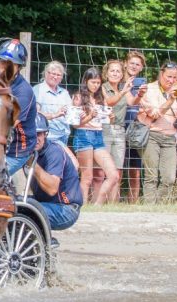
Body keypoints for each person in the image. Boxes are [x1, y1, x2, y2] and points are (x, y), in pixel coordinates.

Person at [136, 61, 177, 203]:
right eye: (168, 76)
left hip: (170, 137)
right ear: (161, 74)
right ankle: (150, 207)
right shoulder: (149, 89)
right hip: (151, 135)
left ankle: (159, 205)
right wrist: (170, 100)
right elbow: (154, 114)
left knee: (169, 177)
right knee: (151, 176)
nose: (171, 80)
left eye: (174, 78)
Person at [70, 67, 118, 204]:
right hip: (83, 135)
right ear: (86, 81)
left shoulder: (100, 98)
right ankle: (82, 206)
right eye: (93, 82)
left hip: (98, 136)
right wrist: (90, 116)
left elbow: (104, 121)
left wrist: (111, 117)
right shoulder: (78, 97)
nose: (96, 85)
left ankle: (98, 204)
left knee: (113, 175)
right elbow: (75, 124)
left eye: (98, 82)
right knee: (87, 177)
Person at [100, 59, 143, 202]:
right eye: (112, 70)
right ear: (106, 73)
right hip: (105, 129)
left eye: (118, 71)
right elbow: (109, 102)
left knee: (118, 169)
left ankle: (113, 203)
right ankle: (100, 201)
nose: (115, 73)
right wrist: (124, 91)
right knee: (103, 170)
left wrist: (140, 95)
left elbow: (132, 102)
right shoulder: (103, 87)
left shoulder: (123, 88)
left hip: (120, 130)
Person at [31, 114, 82, 231]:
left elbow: (52, 188)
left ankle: (43, 239)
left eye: (39, 134)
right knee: (12, 203)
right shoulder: (30, 151)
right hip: (46, 204)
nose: (35, 139)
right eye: (32, 135)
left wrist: (31, 163)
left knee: (26, 210)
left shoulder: (54, 151)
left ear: (45, 134)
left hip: (65, 209)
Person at [0, 38, 37, 176]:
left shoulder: (23, 92)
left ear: (19, 67)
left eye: (10, 64)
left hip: (16, 150)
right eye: (2, 62)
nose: (5, 67)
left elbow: (7, 124)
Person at [123, 51, 149, 203]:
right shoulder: (117, 79)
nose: (134, 66)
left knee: (135, 170)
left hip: (136, 129)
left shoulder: (142, 84)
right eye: (131, 63)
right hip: (118, 126)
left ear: (141, 68)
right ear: (125, 63)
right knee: (114, 169)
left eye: (137, 64)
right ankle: (109, 200)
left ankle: (132, 202)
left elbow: (144, 103)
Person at [33, 61, 72, 150]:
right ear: (46, 73)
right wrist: (55, 115)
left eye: (59, 75)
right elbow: (36, 114)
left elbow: (71, 112)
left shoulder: (64, 92)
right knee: (72, 162)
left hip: (64, 135)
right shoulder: (38, 90)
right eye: (53, 74)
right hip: (49, 137)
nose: (55, 77)